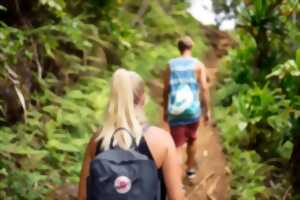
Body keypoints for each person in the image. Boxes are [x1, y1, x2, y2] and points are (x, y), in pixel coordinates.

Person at [78, 69, 184, 200]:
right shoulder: (161, 140)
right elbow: (177, 197)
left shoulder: (98, 140)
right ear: (143, 99)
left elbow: (83, 196)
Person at [162, 36, 211, 180]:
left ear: (179, 48)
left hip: (175, 111)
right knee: (192, 140)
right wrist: (207, 110)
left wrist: (165, 110)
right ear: (191, 47)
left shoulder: (171, 65)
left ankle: (174, 179)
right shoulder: (198, 65)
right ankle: (190, 170)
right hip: (192, 111)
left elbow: (166, 89)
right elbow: (204, 88)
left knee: (176, 146)